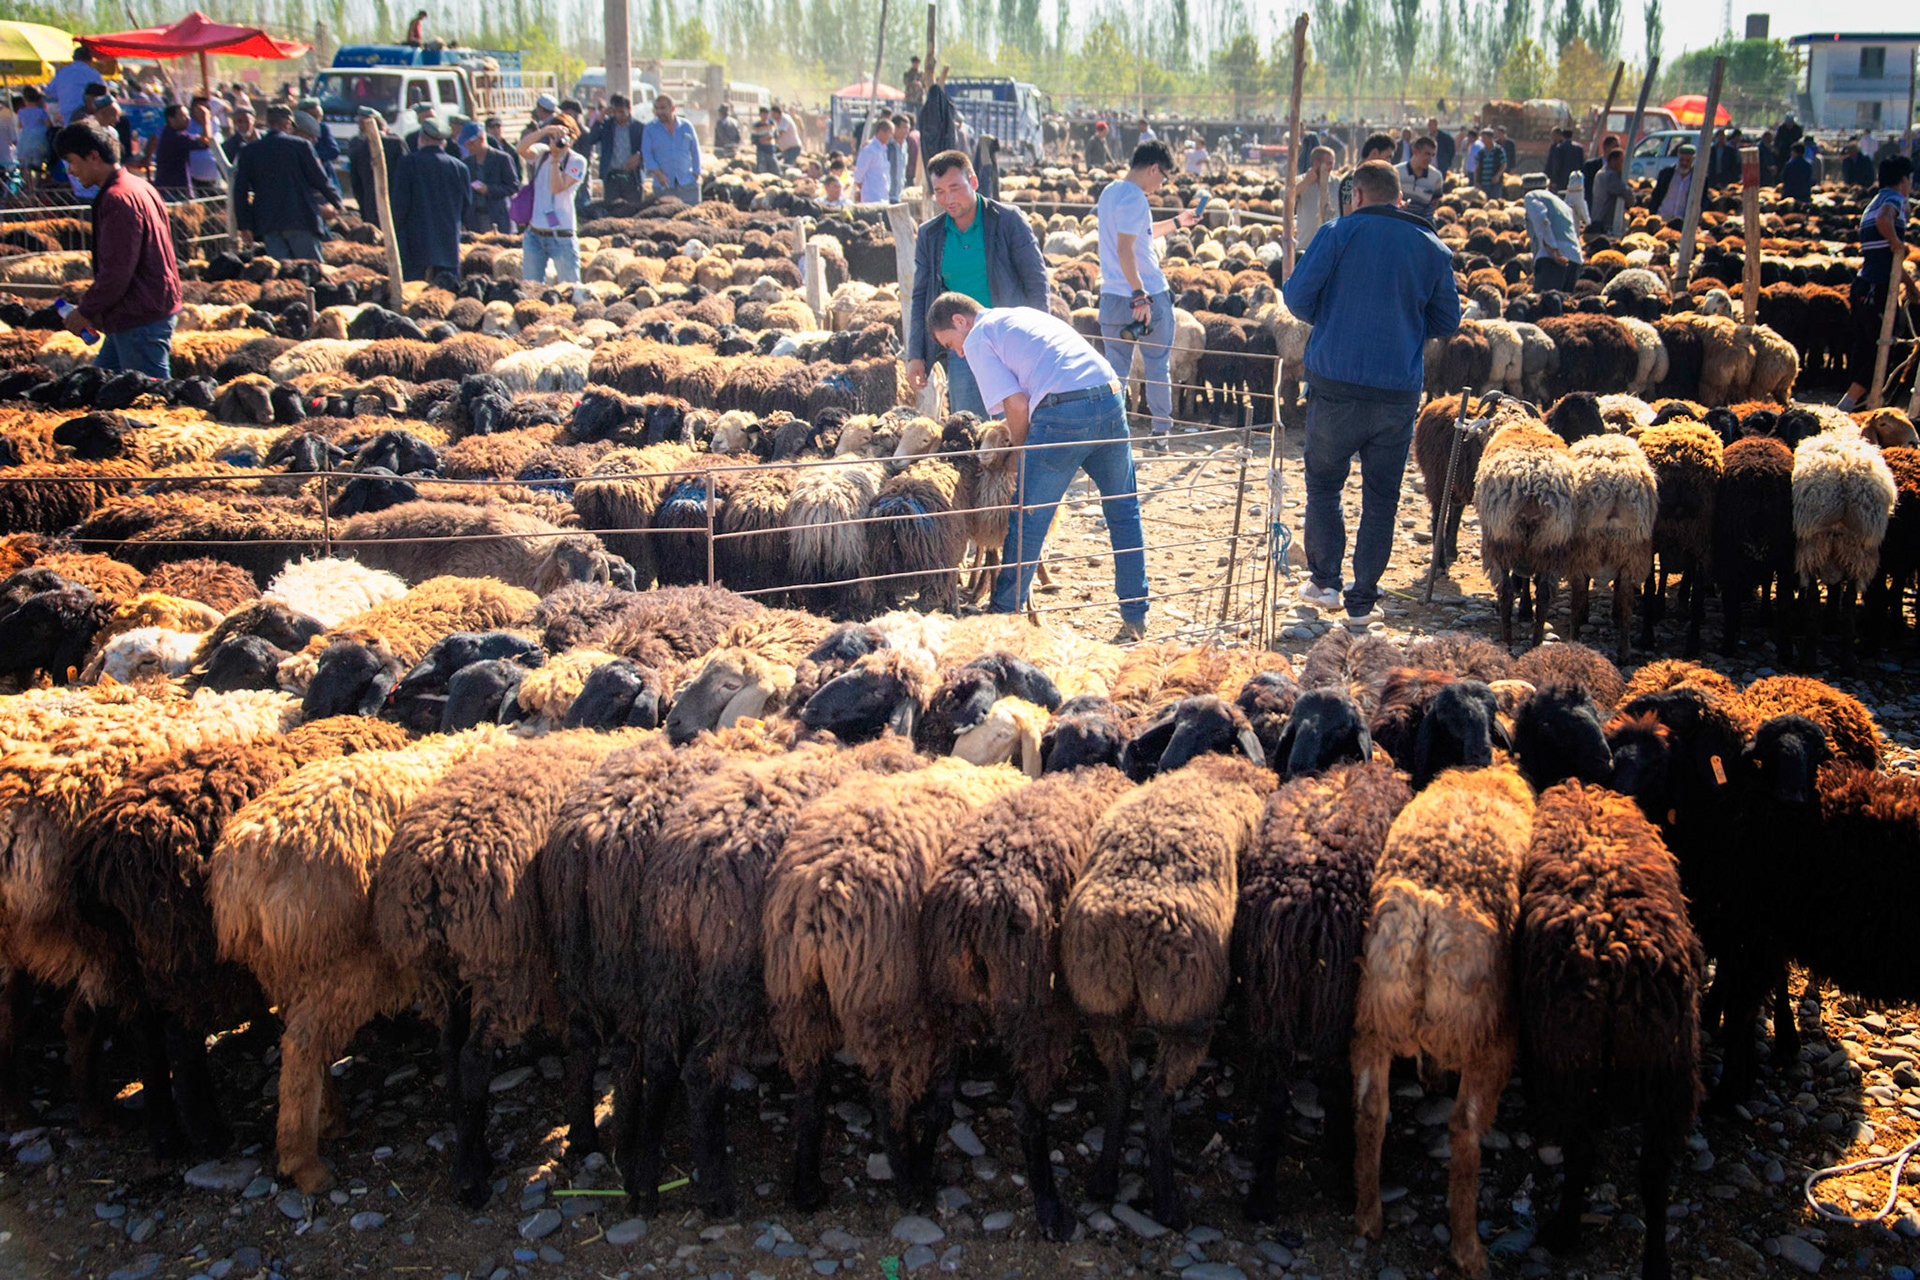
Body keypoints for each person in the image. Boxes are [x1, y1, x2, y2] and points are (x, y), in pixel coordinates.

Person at [1282, 160, 1461, 631]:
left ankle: (1325, 583)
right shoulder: (1431, 247)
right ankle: (1362, 602)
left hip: (1336, 386)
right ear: (1399, 198)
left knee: (1325, 484)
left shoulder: (1336, 234)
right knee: (1382, 496)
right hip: (1395, 393)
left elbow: (1297, 299)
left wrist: (1335, 310)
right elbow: (1447, 321)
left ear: (1356, 195)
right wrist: (1405, 321)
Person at [924, 291, 1148, 639]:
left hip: (1064, 411)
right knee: (1123, 509)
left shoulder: (981, 338)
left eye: (951, 344)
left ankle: (1002, 618)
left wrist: (1016, 452)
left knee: (1028, 517)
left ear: (959, 321)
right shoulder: (1020, 316)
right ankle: (1135, 616)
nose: (959, 352)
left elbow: (1015, 406)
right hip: (1110, 396)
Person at [905, 148, 1051, 419]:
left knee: (1019, 420)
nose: (948, 199)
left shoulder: (1007, 220)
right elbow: (922, 296)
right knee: (969, 425)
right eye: (939, 192)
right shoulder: (931, 234)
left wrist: (1040, 337)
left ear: (973, 182)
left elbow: (1036, 280)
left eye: (954, 188)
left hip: (1011, 341)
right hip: (964, 347)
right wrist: (916, 355)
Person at [54, 119, 181, 379]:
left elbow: (117, 270)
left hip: (139, 317)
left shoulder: (117, 199)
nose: (71, 171)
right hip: (139, 310)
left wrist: (85, 311)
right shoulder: (139, 186)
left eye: (72, 161)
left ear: (93, 156)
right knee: (98, 386)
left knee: (149, 401)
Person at [1096, 139, 1199, 448]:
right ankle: (1160, 432)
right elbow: (1126, 248)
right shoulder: (1136, 198)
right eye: (1164, 176)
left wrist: (1180, 221)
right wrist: (1139, 294)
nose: (1162, 183)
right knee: (1156, 363)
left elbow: (1142, 234)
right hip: (1147, 294)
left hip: (1112, 296)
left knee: (1115, 366)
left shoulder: (1110, 192)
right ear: (1154, 168)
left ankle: (1109, 431)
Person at [1838, 156, 1915, 412]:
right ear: (1904, 179)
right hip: (1876, 288)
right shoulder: (1894, 199)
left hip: (1865, 282)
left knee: (1864, 346)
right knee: (1882, 348)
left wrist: (1910, 286)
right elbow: (1885, 221)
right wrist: (1897, 241)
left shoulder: (1873, 201)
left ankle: (1860, 405)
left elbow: (1884, 259)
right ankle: (1847, 405)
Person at [230, 103, 340, 261]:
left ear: (269, 123)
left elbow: (239, 191)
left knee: (282, 274)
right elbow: (320, 179)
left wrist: (244, 225)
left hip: (268, 222)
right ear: (288, 124)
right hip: (300, 219)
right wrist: (336, 201)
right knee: (311, 270)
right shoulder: (301, 146)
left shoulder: (250, 151)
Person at [389, 116, 469, 280]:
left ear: (421, 139)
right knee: (447, 288)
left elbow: (399, 204)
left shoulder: (408, 163)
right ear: (444, 143)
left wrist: (396, 230)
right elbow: (466, 205)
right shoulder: (460, 167)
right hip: (447, 240)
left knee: (413, 289)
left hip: (414, 240)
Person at [515, 116, 588, 291]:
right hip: (535, 235)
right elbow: (520, 148)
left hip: (561, 236)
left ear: (573, 137)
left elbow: (557, 188)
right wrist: (545, 130)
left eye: (563, 135)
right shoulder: (542, 154)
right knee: (531, 290)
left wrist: (556, 159)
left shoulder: (577, 161)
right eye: (553, 136)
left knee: (570, 291)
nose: (557, 140)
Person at [347, 107, 406, 220]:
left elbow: (356, 184)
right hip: (397, 203)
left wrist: (363, 205)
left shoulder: (359, 148)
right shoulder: (397, 144)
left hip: (371, 205)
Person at [585, 93, 645, 202]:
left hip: (632, 176)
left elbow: (648, 149)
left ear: (629, 109)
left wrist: (639, 156)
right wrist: (601, 117)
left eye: (621, 111)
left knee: (633, 209)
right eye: (615, 112)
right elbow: (591, 139)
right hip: (611, 176)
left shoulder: (639, 127)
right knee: (612, 209)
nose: (618, 115)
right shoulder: (606, 126)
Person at [461, 120, 517, 233]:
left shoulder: (502, 159)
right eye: (466, 144)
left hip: (497, 216)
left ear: (481, 138)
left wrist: (488, 189)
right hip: (475, 218)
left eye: (471, 143)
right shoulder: (467, 162)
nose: (469, 147)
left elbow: (513, 186)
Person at [1524, 188, 1582, 293]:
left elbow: (1542, 220)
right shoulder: (1560, 203)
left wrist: (1552, 249)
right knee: (1566, 305)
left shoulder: (1531, 196)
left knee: (1544, 303)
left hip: (1553, 259)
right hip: (1574, 258)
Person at [150, 104, 212, 195]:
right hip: (174, 191)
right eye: (183, 116)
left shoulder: (173, 134)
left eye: (188, 115)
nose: (188, 119)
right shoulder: (175, 137)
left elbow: (200, 139)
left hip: (171, 189)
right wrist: (206, 121)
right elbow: (205, 142)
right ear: (171, 119)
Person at [1338, 132, 1396, 218]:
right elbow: (1348, 217)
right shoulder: (1351, 181)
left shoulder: (1374, 180)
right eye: (1387, 157)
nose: (1389, 163)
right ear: (1374, 153)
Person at [1293, 145, 1337, 249]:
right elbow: (1286, 197)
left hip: (1331, 245)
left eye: (1332, 164)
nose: (1331, 167)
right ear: (1317, 163)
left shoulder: (1337, 183)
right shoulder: (1300, 181)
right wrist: (1307, 181)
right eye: (1328, 164)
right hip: (1305, 246)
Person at [50, 44, 105, 124]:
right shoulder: (93, 73)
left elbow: (51, 92)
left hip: (66, 114)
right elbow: (103, 92)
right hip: (86, 114)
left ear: (73, 58)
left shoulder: (62, 72)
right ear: (90, 59)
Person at [1396, 135, 1442, 222]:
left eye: (1433, 155)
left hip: (1423, 224)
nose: (1430, 159)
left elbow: (1434, 203)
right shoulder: (1396, 172)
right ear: (1415, 151)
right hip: (1399, 221)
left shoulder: (1436, 177)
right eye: (1427, 154)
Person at [1590, 146, 1630, 235]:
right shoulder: (1610, 176)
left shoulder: (1601, 172)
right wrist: (1632, 200)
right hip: (1605, 221)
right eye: (1621, 161)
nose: (1622, 165)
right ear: (1613, 160)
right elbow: (1624, 192)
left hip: (1597, 217)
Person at [852, 116, 892, 203]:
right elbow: (858, 175)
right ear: (881, 132)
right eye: (890, 133)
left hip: (884, 197)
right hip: (872, 198)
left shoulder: (883, 151)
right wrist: (865, 190)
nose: (891, 137)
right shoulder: (869, 150)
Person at [1651, 144, 1695, 222]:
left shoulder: (1697, 178)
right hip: (1663, 217)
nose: (1684, 163)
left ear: (1693, 160)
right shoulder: (1666, 174)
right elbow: (1656, 195)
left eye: (1688, 161)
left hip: (1683, 221)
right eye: (1681, 160)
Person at [16, 87, 49, 187]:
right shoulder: (41, 111)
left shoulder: (21, 112)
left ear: (24, 99)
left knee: (26, 165)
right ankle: (36, 186)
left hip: (25, 139)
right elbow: (48, 124)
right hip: (39, 139)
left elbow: (19, 125)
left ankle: (29, 186)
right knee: (37, 164)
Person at [298, 98, 340, 169]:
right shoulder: (294, 130)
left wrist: (312, 156)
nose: (317, 121)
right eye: (314, 117)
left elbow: (333, 151)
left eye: (320, 117)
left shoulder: (323, 128)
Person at [1545, 127, 1584, 193]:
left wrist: (1554, 180)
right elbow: (1582, 164)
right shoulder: (1579, 148)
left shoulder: (1559, 147)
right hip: (1575, 180)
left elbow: (1556, 165)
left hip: (1562, 180)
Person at [485, 115, 520, 181]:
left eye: (498, 127)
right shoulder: (484, 150)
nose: (496, 130)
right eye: (492, 127)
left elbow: (518, 172)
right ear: (487, 130)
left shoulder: (510, 150)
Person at [1472, 126, 1505, 194]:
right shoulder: (1481, 152)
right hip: (1483, 183)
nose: (1483, 140)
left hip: (1495, 184)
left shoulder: (1498, 151)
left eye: (1484, 138)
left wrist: (1497, 175)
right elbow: (1477, 167)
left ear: (1490, 138)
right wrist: (1476, 181)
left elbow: (1503, 164)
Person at [750, 105, 777, 172]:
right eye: (763, 114)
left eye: (766, 114)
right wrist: (764, 138)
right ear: (760, 115)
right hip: (762, 152)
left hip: (771, 152)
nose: (765, 116)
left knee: (776, 171)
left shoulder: (772, 123)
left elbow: (776, 135)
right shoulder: (756, 126)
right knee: (763, 171)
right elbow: (754, 141)